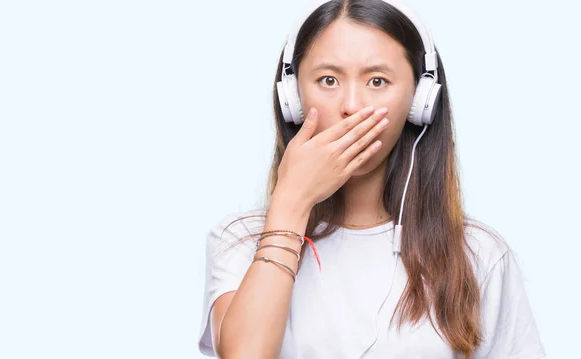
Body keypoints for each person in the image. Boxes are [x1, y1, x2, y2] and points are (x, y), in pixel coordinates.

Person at [197, 0, 546, 358]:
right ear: (292, 98)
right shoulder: (240, 243)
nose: (351, 105)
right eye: (328, 80)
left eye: (377, 81)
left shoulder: (478, 255)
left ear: (420, 101)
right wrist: (291, 202)